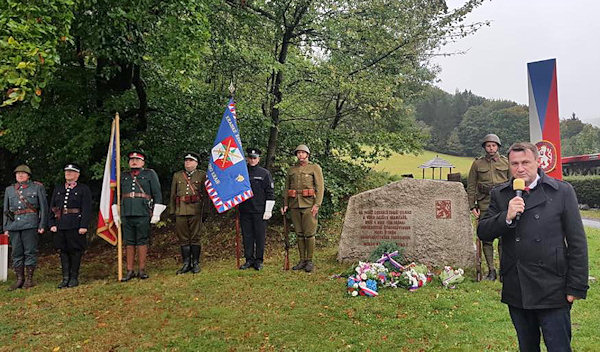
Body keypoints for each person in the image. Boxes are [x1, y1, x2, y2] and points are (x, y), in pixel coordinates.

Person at [478, 142, 588, 351]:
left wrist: (576, 287)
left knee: (559, 347)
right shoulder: (501, 194)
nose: (520, 168)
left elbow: (577, 243)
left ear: (538, 162)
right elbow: (483, 231)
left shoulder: (561, 191)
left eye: (526, 162)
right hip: (518, 287)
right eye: (514, 164)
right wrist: (506, 217)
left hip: (553, 287)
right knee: (527, 347)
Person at [112, 151, 165, 281]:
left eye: (137, 159)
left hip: (142, 212)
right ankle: (129, 270)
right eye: (131, 160)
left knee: (142, 240)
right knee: (129, 242)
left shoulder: (150, 174)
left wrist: (156, 213)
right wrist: (115, 213)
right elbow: (116, 196)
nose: (134, 162)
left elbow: (157, 194)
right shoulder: (123, 175)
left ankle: (141, 270)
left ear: (143, 162)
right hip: (126, 212)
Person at [466, 133, 509, 280]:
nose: (491, 148)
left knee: (504, 237)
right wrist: (472, 205)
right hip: (485, 202)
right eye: (488, 145)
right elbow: (471, 186)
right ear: (484, 147)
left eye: (493, 145)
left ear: (498, 147)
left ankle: (504, 270)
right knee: (487, 236)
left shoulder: (506, 162)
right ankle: (491, 270)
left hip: (503, 203)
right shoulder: (477, 164)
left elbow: (512, 183)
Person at [3, 165, 47, 290]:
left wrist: (42, 224)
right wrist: (6, 227)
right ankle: (19, 279)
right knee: (16, 252)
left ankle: (29, 279)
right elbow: (6, 210)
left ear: (28, 176)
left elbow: (44, 207)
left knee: (30, 251)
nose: (20, 175)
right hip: (14, 225)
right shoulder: (9, 190)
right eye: (18, 173)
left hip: (30, 223)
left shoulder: (37, 187)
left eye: (23, 173)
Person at [48, 163, 92, 288]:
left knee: (75, 251)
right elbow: (53, 207)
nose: (68, 173)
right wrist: (51, 223)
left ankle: (74, 277)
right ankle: (65, 277)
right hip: (61, 224)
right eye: (67, 171)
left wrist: (83, 225)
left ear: (77, 175)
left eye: (71, 172)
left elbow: (86, 208)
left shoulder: (83, 189)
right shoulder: (58, 188)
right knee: (63, 251)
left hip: (75, 224)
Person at [281, 144, 324, 273]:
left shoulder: (314, 168)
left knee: (309, 234)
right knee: (299, 234)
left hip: (309, 205)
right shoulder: (291, 170)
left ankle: (309, 261)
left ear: (307, 155)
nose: (300, 155)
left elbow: (320, 187)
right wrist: (285, 204)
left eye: (303, 152)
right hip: (294, 205)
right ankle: (302, 260)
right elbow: (287, 188)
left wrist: (317, 204)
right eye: (298, 153)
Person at [169, 152, 207, 274]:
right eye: (186, 160)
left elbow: (206, 195)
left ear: (196, 163)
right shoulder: (177, 176)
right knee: (183, 238)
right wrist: (172, 210)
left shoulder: (202, 175)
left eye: (190, 161)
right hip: (180, 210)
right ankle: (186, 263)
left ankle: (195, 263)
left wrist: (205, 211)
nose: (188, 163)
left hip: (196, 210)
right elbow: (173, 195)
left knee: (195, 238)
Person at [238, 148, 275, 271]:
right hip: (245, 210)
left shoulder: (264, 173)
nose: (252, 160)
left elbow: (270, 192)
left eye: (255, 158)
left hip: (259, 211)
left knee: (259, 236)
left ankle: (259, 260)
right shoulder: (242, 173)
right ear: (247, 159)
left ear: (258, 159)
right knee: (247, 236)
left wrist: (268, 210)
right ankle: (249, 259)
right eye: (250, 158)